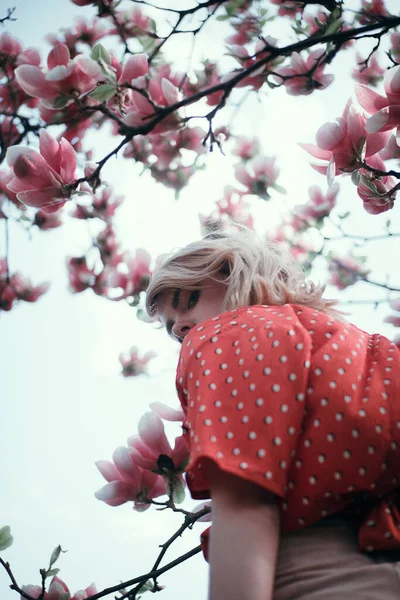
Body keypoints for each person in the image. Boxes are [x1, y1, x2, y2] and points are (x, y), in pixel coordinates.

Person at [145, 227, 400, 600]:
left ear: (235, 272)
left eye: (190, 300)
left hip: (312, 575)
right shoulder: (362, 349)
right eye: (174, 331)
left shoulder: (225, 334)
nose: (183, 328)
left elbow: (246, 498)